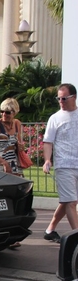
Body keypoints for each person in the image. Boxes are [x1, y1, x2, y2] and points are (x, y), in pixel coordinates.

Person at [42, 83, 78, 234]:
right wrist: (47, 160)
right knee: (71, 202)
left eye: (64, 98)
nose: (61, 102)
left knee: (67, 200)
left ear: (74, 97)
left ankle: (50, 229)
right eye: (59, 98)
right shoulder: (55, 118)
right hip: (64, 165)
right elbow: (48, 141)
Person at [0, 98, 24, 176]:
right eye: (1, 111)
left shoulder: (17, 123)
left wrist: (21, 146)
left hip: (14, 163)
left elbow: (19, 145)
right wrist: (4, 163)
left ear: (15, 113)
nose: (4, 114)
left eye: (7, 112)